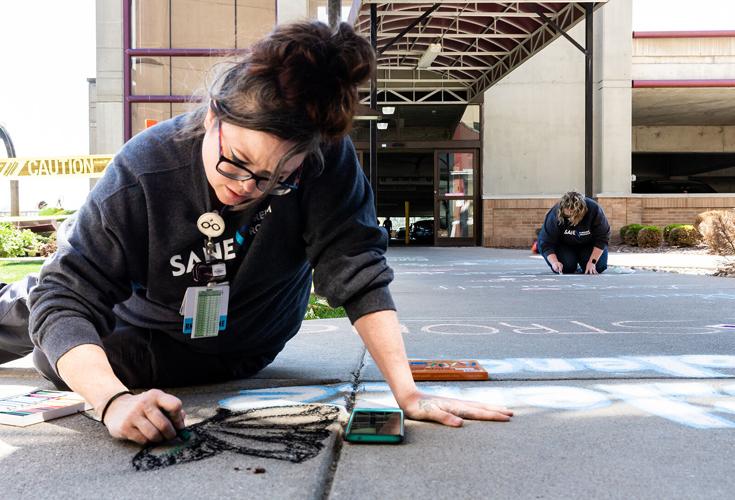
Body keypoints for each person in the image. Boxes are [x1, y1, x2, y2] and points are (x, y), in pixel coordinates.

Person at [0, 21, 511, 445]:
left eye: (274, 179)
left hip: (248, 341)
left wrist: (409, 393)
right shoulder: (144, 168)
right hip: (145, 311)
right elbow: (69, 295)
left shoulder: (326, 162)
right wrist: (112, 403)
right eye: (236, 163)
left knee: (58, 356)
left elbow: (357, 268)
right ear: (212, 115)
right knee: (47, 303)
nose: (245, 187)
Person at [537, 191, 610, 274]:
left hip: (588, 244)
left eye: (573, 215)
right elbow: (546, 243)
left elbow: (602, 238)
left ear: (581, 211)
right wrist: (554, 262)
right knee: (566, 268)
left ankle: (583, 261)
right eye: (567, 216)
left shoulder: (594, 210)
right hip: (564, 245)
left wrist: (592, 262)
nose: (570, 218)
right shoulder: (554, 214)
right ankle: (571, 261)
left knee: (598, 267)